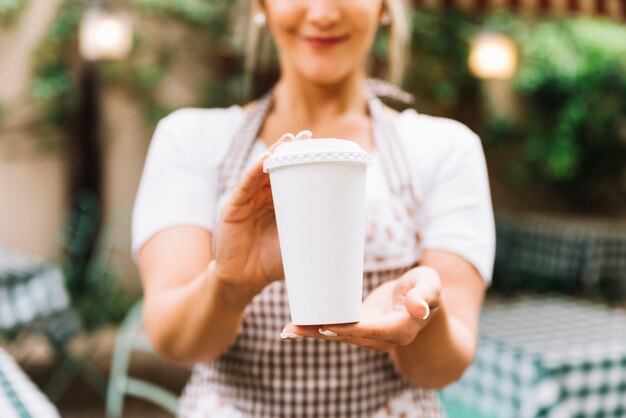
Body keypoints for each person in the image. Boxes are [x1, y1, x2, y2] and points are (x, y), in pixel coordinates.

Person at [132, 0, 495, 417]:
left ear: (384, 8)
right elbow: (174, 342)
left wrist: (423, 313)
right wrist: (229, 286)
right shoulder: (191, 141)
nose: (322, 13)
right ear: (261, 5)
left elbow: (442, 368)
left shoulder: (445, 150)